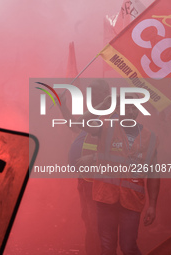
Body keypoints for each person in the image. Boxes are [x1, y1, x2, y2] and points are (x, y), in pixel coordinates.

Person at [78, 92, 160, 255]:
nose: (130, 112)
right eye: (126, 108)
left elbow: (153, 173)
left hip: (132, 201)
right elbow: (82, 121)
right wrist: (102, 106)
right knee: (107, 247)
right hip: (106, 198)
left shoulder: (150, 138)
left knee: (128, 247)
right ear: (118, 109)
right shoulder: (106, 127)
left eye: (133, 108)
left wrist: (152, 205)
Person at [66, 79, 110, 255]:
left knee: (97, 224)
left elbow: (121, 147)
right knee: (89, 221)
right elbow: (75, 126)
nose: (89, 98)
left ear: (105, 94)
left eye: (94, 94)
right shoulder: (95, 114)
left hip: (99, 181)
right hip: (86, 180)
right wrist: (62, 107)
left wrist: (94, 157)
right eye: (89, 94)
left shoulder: (110, 115)